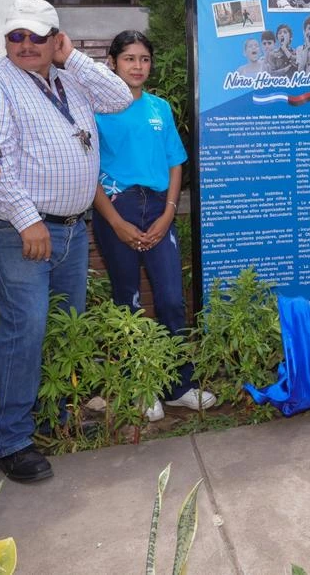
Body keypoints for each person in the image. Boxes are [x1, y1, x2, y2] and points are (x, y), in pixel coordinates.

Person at [0, 0, 132, 484]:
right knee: (27, 329)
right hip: (23, 230)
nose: (24, 45)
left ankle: (52, 416)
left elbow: (120, 97)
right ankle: (11, 439)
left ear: (54, 39)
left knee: (66, 326)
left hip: (70, 228)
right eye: (15, 35)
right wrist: (26, 220)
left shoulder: (66, 77)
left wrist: (71, 57)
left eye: (37, 36)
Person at [92, 30, 217, 422]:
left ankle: (179, 385)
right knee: (127, 301)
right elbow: (87, 171)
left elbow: (175, 162)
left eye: (144, 59)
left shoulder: (159, 108)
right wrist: (116, 222)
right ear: (112, 62)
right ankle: (139, 388)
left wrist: (167, 214)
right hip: (117, 207)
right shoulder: (95, 110)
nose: (137, 66)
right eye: (129, 58)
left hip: (158, 208)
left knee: (169, 299)